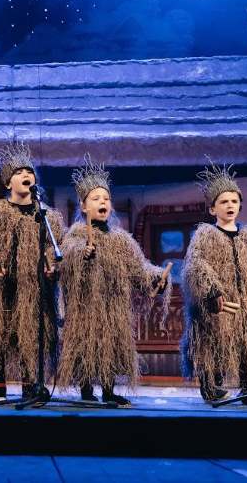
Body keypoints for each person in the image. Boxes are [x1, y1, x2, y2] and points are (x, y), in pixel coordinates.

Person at [58, 155, 170, 406]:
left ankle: (109, 391)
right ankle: (86, 391)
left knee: (110, 346)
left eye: (106, 198)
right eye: (96, 198)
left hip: (113, 307)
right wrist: (83, 253)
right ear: (83, 206)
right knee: (86, 346)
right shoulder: (75, 235)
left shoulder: (121, 240)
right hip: (85, 308)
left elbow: (138, 268)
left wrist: (155, 278)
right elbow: (66, 259)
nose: (103, 202)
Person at [0, 138, 63, 405]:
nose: (25, 175)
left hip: (33, 288)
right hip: (2, 287)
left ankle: (29, 384)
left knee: (29, 333)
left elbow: (54, 246)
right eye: (19, 172)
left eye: (29, 171)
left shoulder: (47, 215)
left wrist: (51, 266)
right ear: (8, 183)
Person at [180, 161, 247, 404]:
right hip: (216, 304)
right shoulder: (205, 234)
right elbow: (195, 264)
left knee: (246, 343)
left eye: (234, 201)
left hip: (243, 303)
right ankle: (211, 385)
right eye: (224, 202)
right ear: (213, 209)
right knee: (211, 343)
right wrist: (212, 290)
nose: (230, 205)